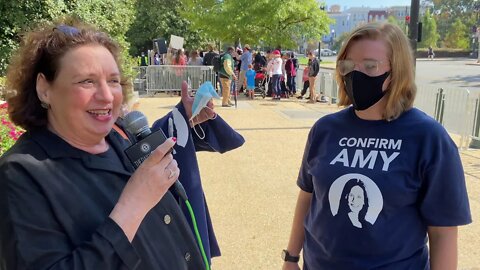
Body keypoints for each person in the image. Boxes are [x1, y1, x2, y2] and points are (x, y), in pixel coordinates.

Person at [0, 19, 207, 269]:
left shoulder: (120, 134)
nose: (107, 96)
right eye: (87, 81)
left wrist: (183, 117)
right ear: (45, 89)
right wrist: (133, 205)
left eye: (113, 81)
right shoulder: (19, 175)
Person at [283, 22, 471, 270]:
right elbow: (308, 197)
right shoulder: (325, 130)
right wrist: (291, 258)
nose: (355, 74)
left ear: (397, 71)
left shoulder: (428, 138)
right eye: (348, 65)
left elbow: (443, 232)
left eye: (370, 66)